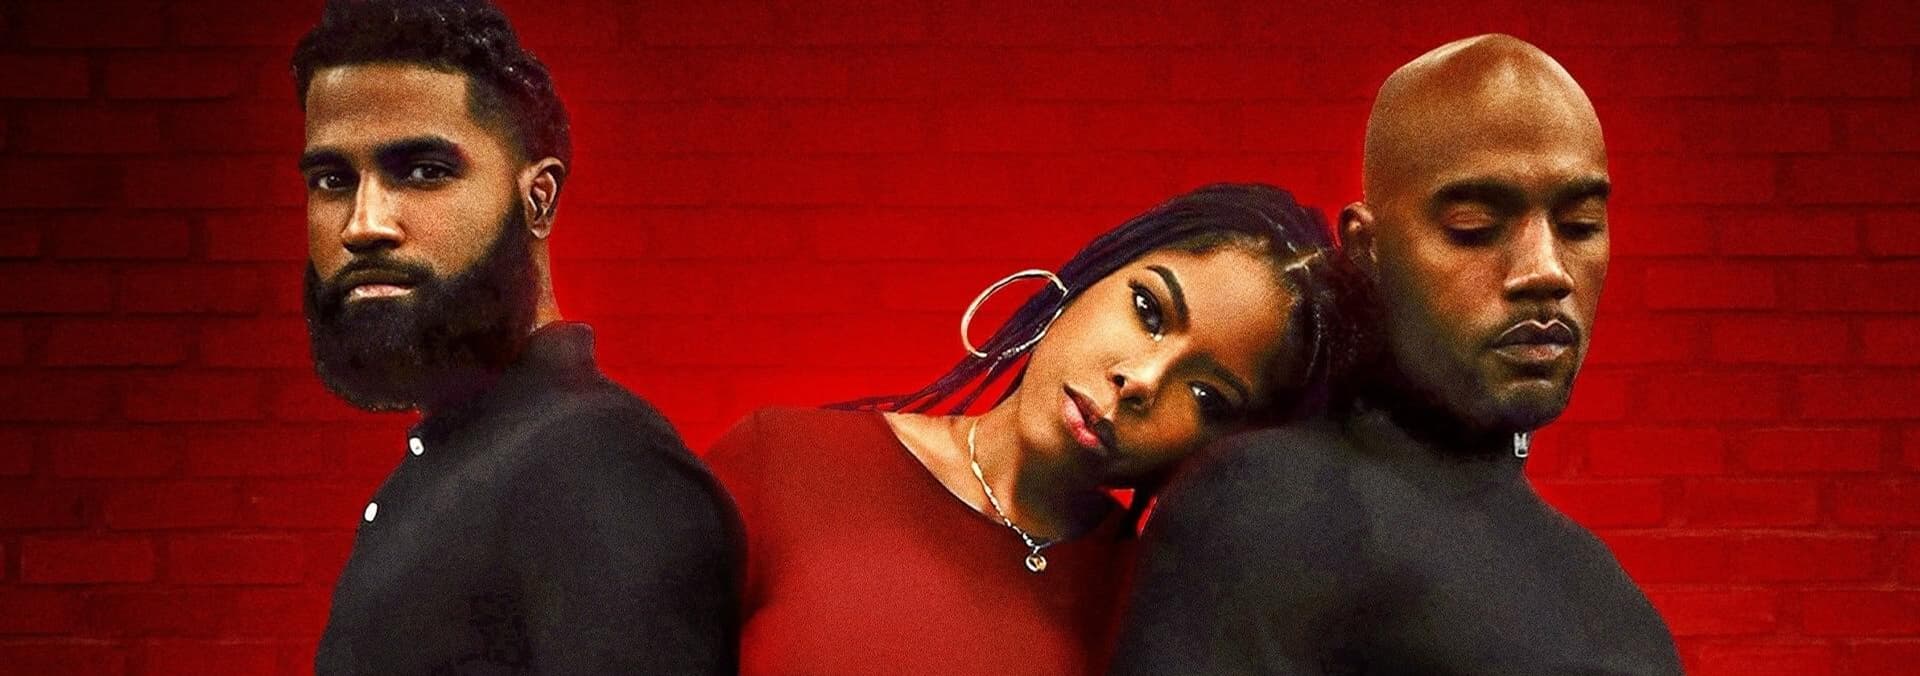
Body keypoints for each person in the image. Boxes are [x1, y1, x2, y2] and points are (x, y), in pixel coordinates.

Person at [1111, 34, 1681, 674]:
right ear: (1366, 248)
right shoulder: (1273, 508)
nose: (1547, 271)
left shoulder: (1613, 605)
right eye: (1473, 228)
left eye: (1580, 225)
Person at [705, 183, 1361, 675]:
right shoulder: (783, 465)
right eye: (1149, 310)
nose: (1140, 379)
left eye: (1206, 396)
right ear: (1093, 276)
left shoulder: (1162, 612)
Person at [293, 1, 741, 672]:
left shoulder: (598, 467)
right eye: (333, 180)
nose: (364, 224)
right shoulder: (461, 463)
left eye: (424, 171)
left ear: (539, 199)